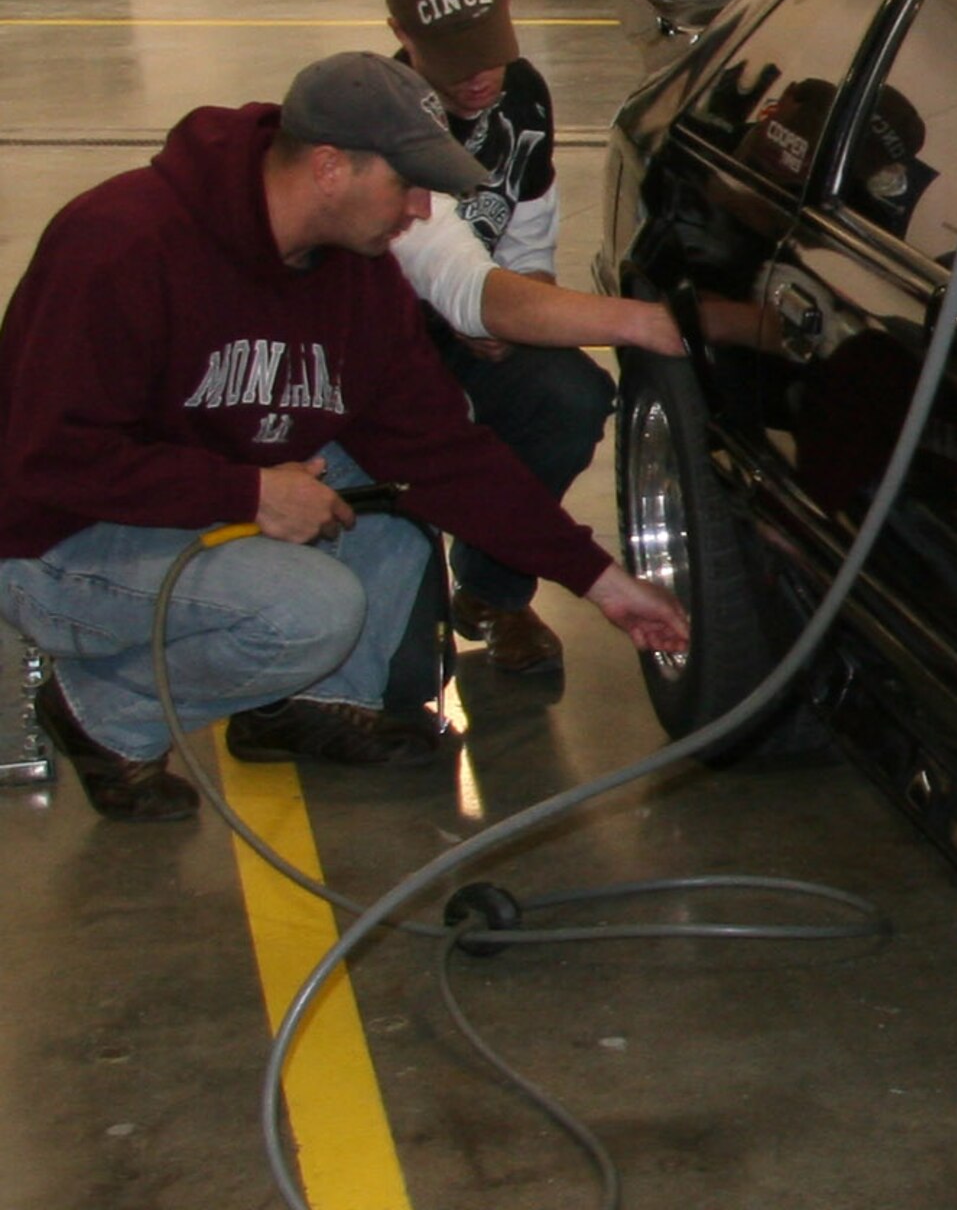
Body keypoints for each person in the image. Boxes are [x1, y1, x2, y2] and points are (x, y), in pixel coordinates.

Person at [0, 52, 688, 823]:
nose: (422, 210)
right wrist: (248, 492)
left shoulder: (356, 280)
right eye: (406, 183)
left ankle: (302, 705)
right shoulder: (119, 245)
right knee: (310, 612)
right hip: (56, 545)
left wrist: (600, 581)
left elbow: (442, 453)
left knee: (393, 504)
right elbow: (42, 461)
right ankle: (101, 716)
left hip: (186, 502)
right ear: (330, 168)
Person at [381, 0, 677, 678]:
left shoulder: (523, 99)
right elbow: (467, 288)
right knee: (399, 665)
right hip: (391, 353)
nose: (477, 78)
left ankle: (491, 588)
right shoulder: (391, 128)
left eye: (488, 53)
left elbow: (528, 239)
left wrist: (529, 302)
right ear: (398, 35)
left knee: (571, 396)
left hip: (487, 318)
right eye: (453, 66)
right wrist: (643, 323)